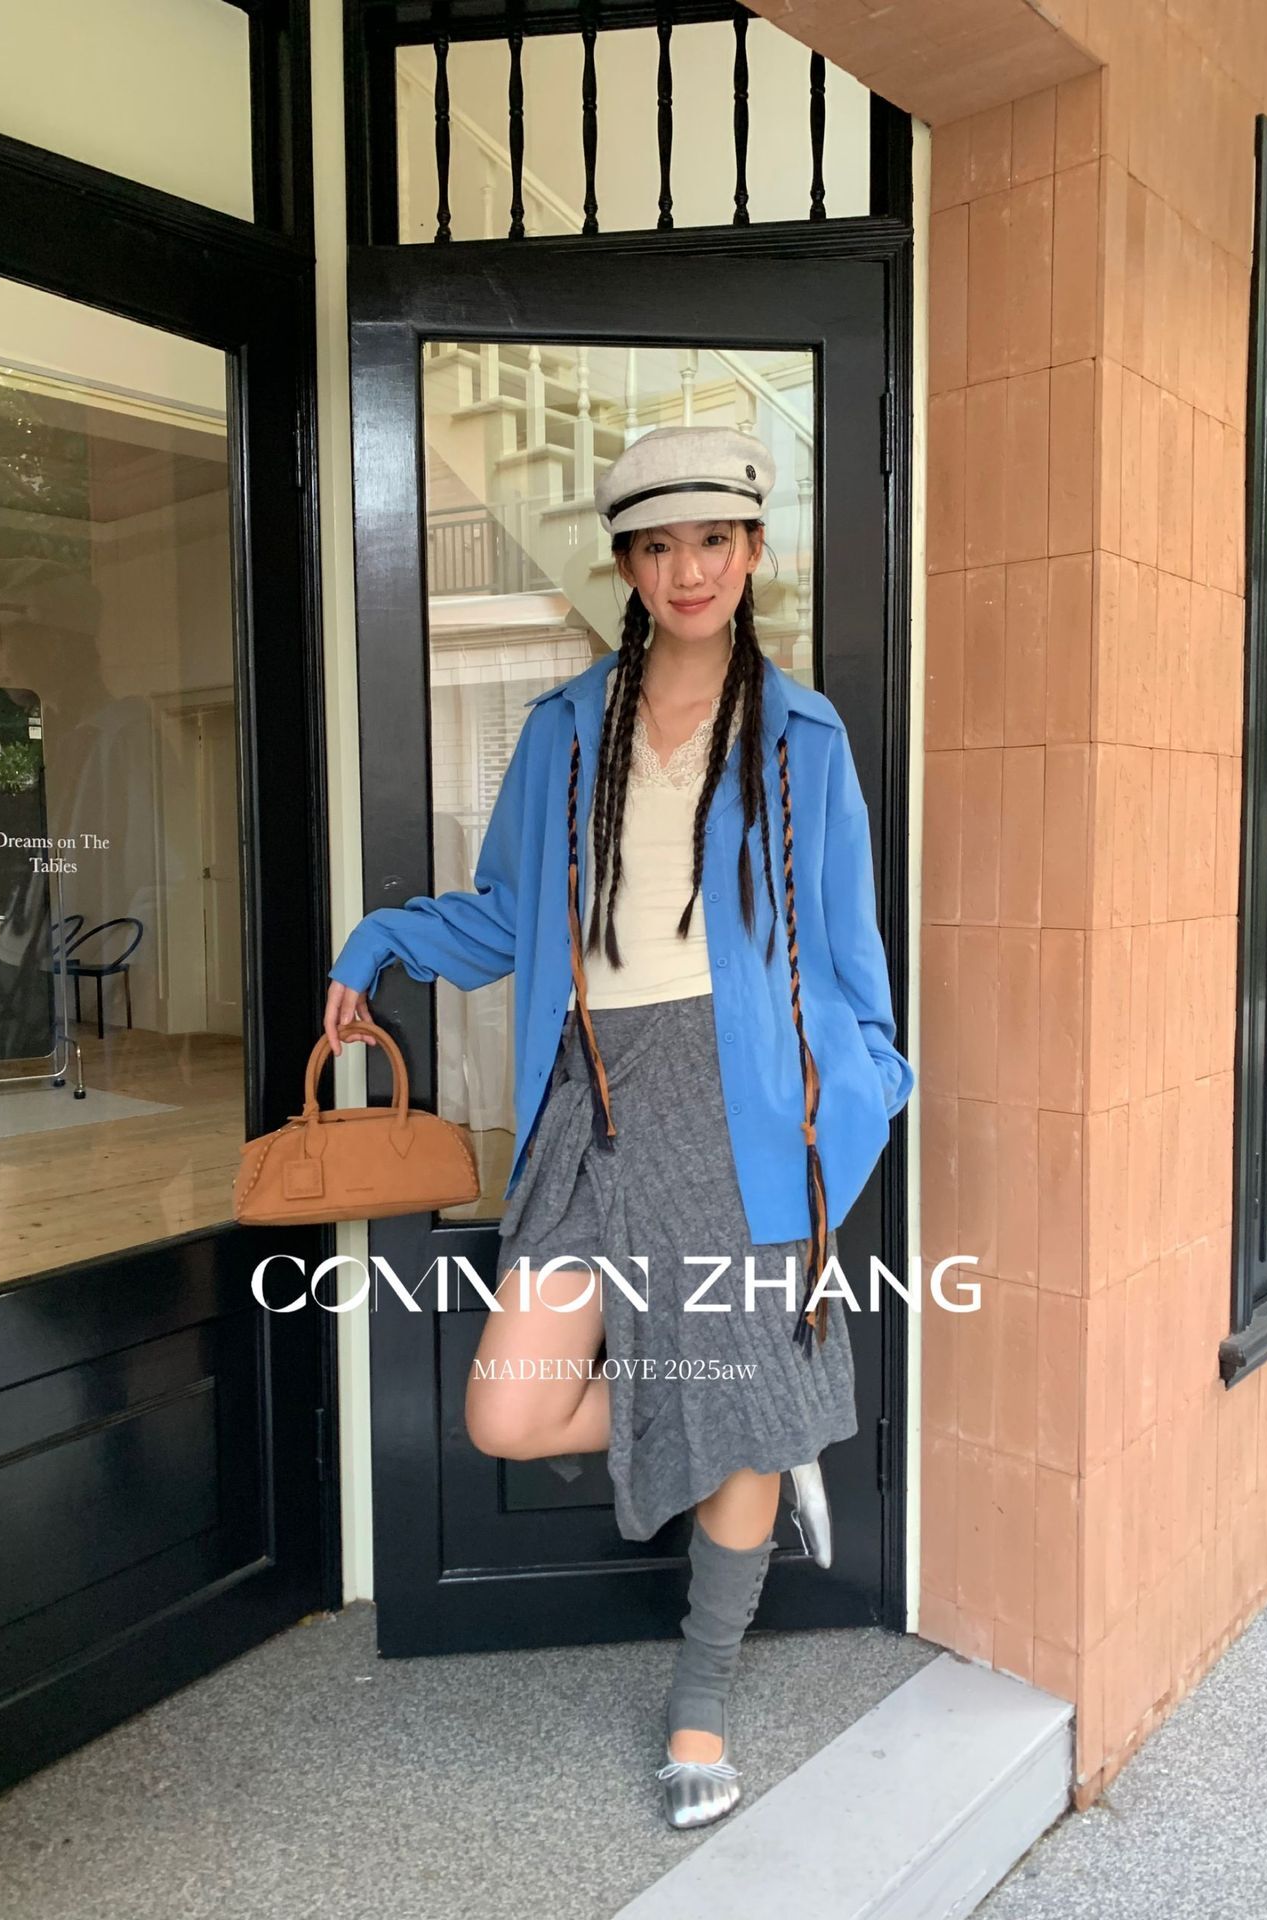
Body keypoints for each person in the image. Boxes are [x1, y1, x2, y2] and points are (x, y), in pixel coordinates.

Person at [322, 424, 914, 1830]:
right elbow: (506, 914)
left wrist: (864, 1084)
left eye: (711, 539)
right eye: (657, 546)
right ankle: (758, 1424)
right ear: (628, 567)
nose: (687, 569)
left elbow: (849, 954)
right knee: (509, 1408)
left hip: (745, 1101)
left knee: (735, 1393)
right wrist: (381, 943)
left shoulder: (803, 738)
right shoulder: (562, 730)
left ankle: (700, 1701)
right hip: (589, 1093)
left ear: (752, 552)